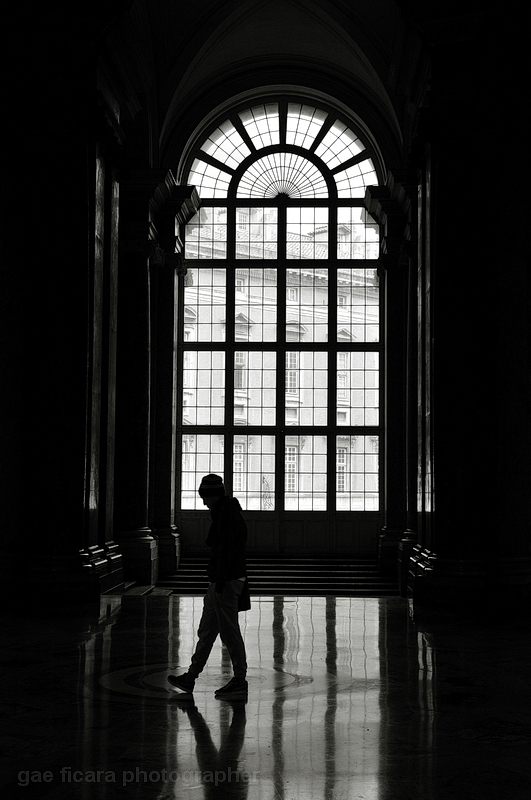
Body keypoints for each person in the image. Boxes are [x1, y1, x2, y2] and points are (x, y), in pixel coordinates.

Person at [168, 474, 250, 698]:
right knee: (207, 632)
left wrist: (221, 582)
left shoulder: (226, 517)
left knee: (229, 633)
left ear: (213, 495)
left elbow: (225, 553)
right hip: (222, 581)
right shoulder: (226, 514)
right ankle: (190, 677)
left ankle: (240, 680)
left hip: (225, 581)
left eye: (205, 497)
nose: (203, 502)